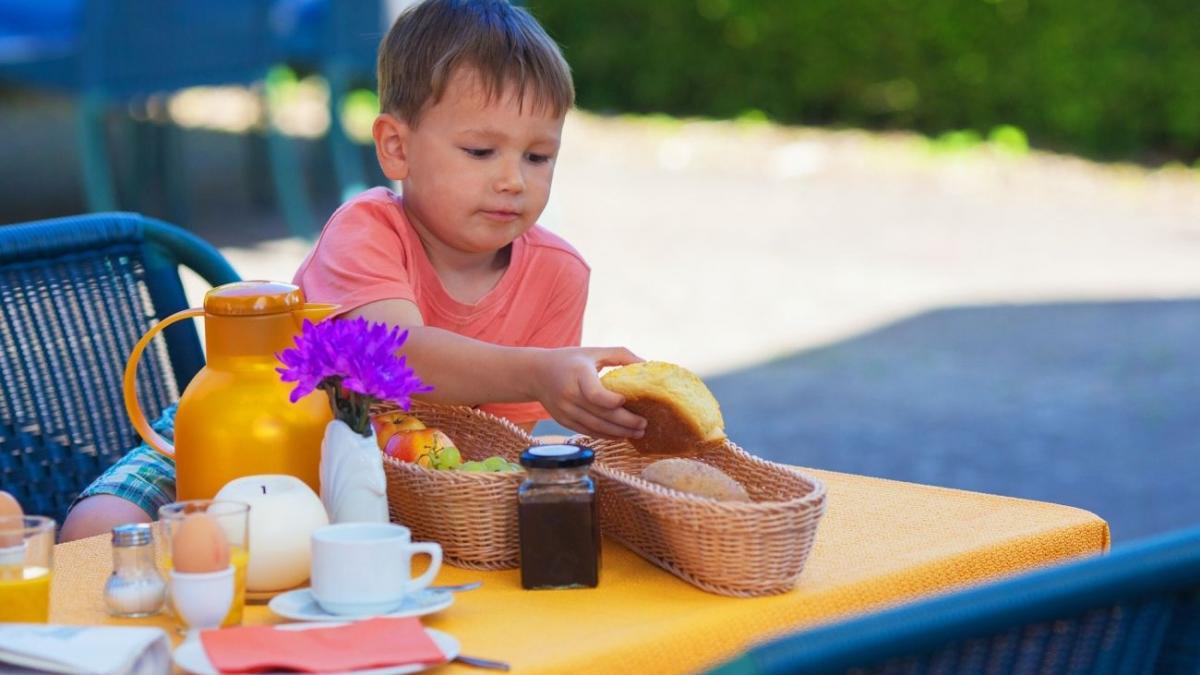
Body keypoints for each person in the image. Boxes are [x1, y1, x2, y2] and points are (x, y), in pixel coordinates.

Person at [60, 0, 645, 542]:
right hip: (249, 426)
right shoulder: (367, 228)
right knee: (101, 528)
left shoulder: (558, 275)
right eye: (480, 152)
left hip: (387, 478)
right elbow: (391, 360)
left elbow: (493, 445)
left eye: (538, 157)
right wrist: (540, 373)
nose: (513, 180)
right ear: (396, 148)